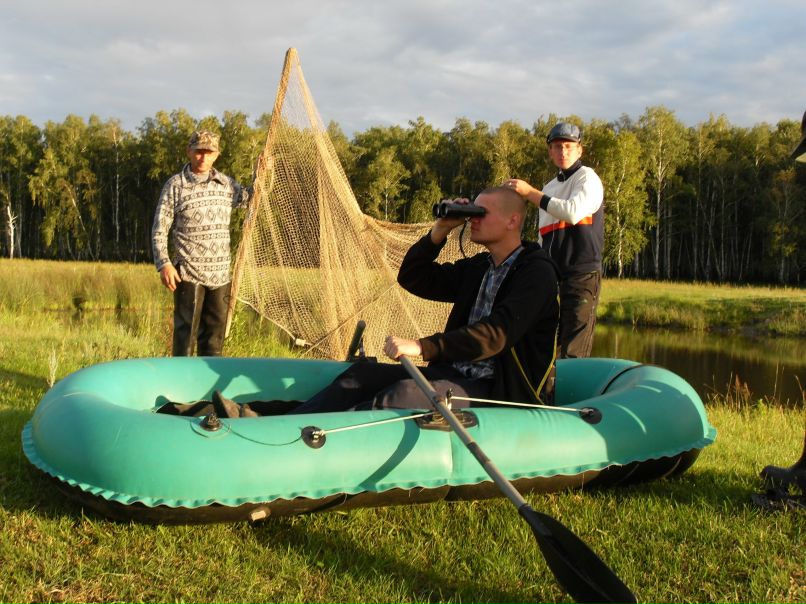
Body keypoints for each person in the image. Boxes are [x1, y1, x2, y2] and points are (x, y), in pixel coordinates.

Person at [291, 185, 560, 414]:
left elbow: (496, 334)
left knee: (398, 397)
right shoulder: (481, 267)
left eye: (481, 213)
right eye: (471, 213)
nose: (472, 220)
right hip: (454, 375)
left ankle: (315, 441)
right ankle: (276, 418)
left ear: (512, 221)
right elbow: (413, 277)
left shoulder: (536, 272)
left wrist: (422, 346)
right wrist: (440, 230)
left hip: (498, 389)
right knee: (361, 376)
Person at [503, 122, 604, 359]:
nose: (563, 152)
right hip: (551, 276)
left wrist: (530, 194)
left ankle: (570, 395)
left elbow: (573, 212)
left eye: (569, 146)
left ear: (580, 150)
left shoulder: (587, 178)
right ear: (550, 151)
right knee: (546, 344)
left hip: (581, 274)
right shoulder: (549, 187)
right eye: (557, 146)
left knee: (572, 350)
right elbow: (543, 236)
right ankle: (545, 395)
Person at [151, 130, 252, 356]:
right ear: (189, 152)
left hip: (220, 275)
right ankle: (180, 386)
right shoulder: (175, 185)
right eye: (198, 152)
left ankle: (208, 389)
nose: (203, 157)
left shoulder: (226, 184)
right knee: (185, 339)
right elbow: (160, 227)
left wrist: (265, 174)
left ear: (216, 155)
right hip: (188, 273)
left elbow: (250, 198)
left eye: (209, 152)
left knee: (214, 343)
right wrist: (164, 263)